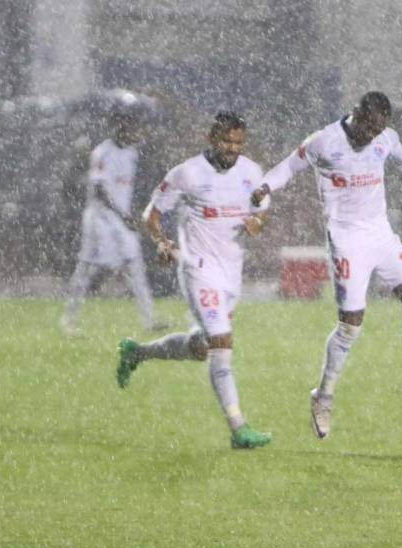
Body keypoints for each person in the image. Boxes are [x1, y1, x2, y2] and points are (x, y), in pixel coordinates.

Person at [250, 91, 402, 440]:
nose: (371, 135)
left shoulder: (385, 138)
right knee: (350, 326)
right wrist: (264, 187)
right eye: (368, 127)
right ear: (357, 114)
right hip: (347, 240)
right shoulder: (323, 142)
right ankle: (323, 396)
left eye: (378, 130)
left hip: (381, 234)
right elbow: (289, 165)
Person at [115, 112, 272, 450]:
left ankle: (137, 353)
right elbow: (152, 214)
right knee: (222, 341)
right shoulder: (187, 173)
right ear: (211, 138)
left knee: (202, 347)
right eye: (226, 141)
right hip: (198, 271)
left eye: (238, 142)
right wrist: (162, 241)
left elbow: (261, 212)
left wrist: (258, 223)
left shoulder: (252, 172)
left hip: (232, 274)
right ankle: (238, 427)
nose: (232, 148)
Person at [60, 111, 164, 337]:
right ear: (118, 127)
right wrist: (122, 215)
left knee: (136, 267)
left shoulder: (132, 154)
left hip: (121, 219)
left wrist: (130, 214)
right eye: (130, 127)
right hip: (100, 218)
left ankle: (150, 320)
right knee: (86, 268)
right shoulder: (102, 153)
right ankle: (69, 320)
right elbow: (99, 190)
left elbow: (125, 190)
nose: (135, 132)